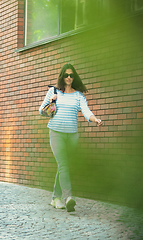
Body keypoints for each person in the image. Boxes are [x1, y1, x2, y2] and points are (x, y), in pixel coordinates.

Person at [39, 63, 103, 212]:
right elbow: (41, 111)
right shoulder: (53, 91)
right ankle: (68, 197)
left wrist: (95, 119)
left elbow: (86, 111)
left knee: (64, 165)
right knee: (63, 164)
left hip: (72, 135)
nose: (69, 77)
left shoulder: (79, 95)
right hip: (56, 133)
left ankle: (55, 197)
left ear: (74, 77)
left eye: (71, 75)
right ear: (62, 76)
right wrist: (51, 101)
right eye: (66, 75)